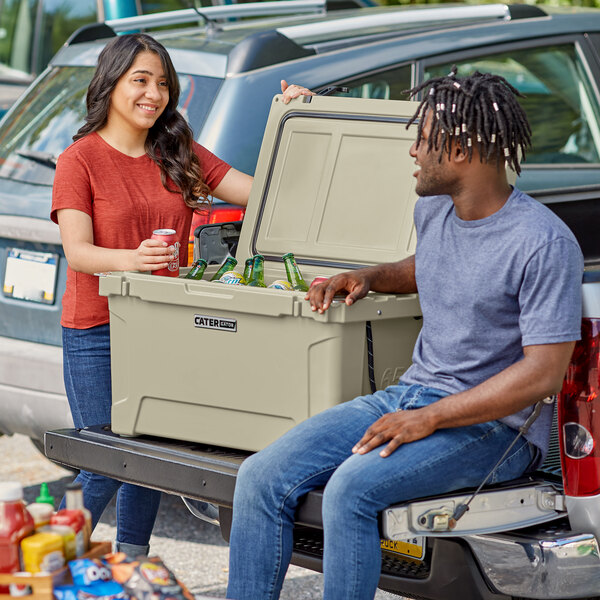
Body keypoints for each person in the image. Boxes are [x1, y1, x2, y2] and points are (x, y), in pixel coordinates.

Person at [226, 70, 584, 600]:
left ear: (462, 151)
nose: (412, 150)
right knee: (259, 477)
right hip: (411, 396)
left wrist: (429, 418)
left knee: (350, 490)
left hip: (496, 430)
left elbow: (542, 374)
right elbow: (430, 264)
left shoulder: (545, 243)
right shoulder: (435, 208)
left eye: (424, 139)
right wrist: (370, 276)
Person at [50, 34, 297, 557]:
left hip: (162, 328)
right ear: (111, 83)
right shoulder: (80, 160)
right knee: (104, 457)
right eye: (140, 80)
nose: (153, 93)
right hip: (97, 327)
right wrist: (130, 260)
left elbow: (262, 193)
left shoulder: (176, 150)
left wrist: (293, 122)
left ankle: (135, 565)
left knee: (149, 454)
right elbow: (78, 252)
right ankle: (41, 563)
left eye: (162, 83)